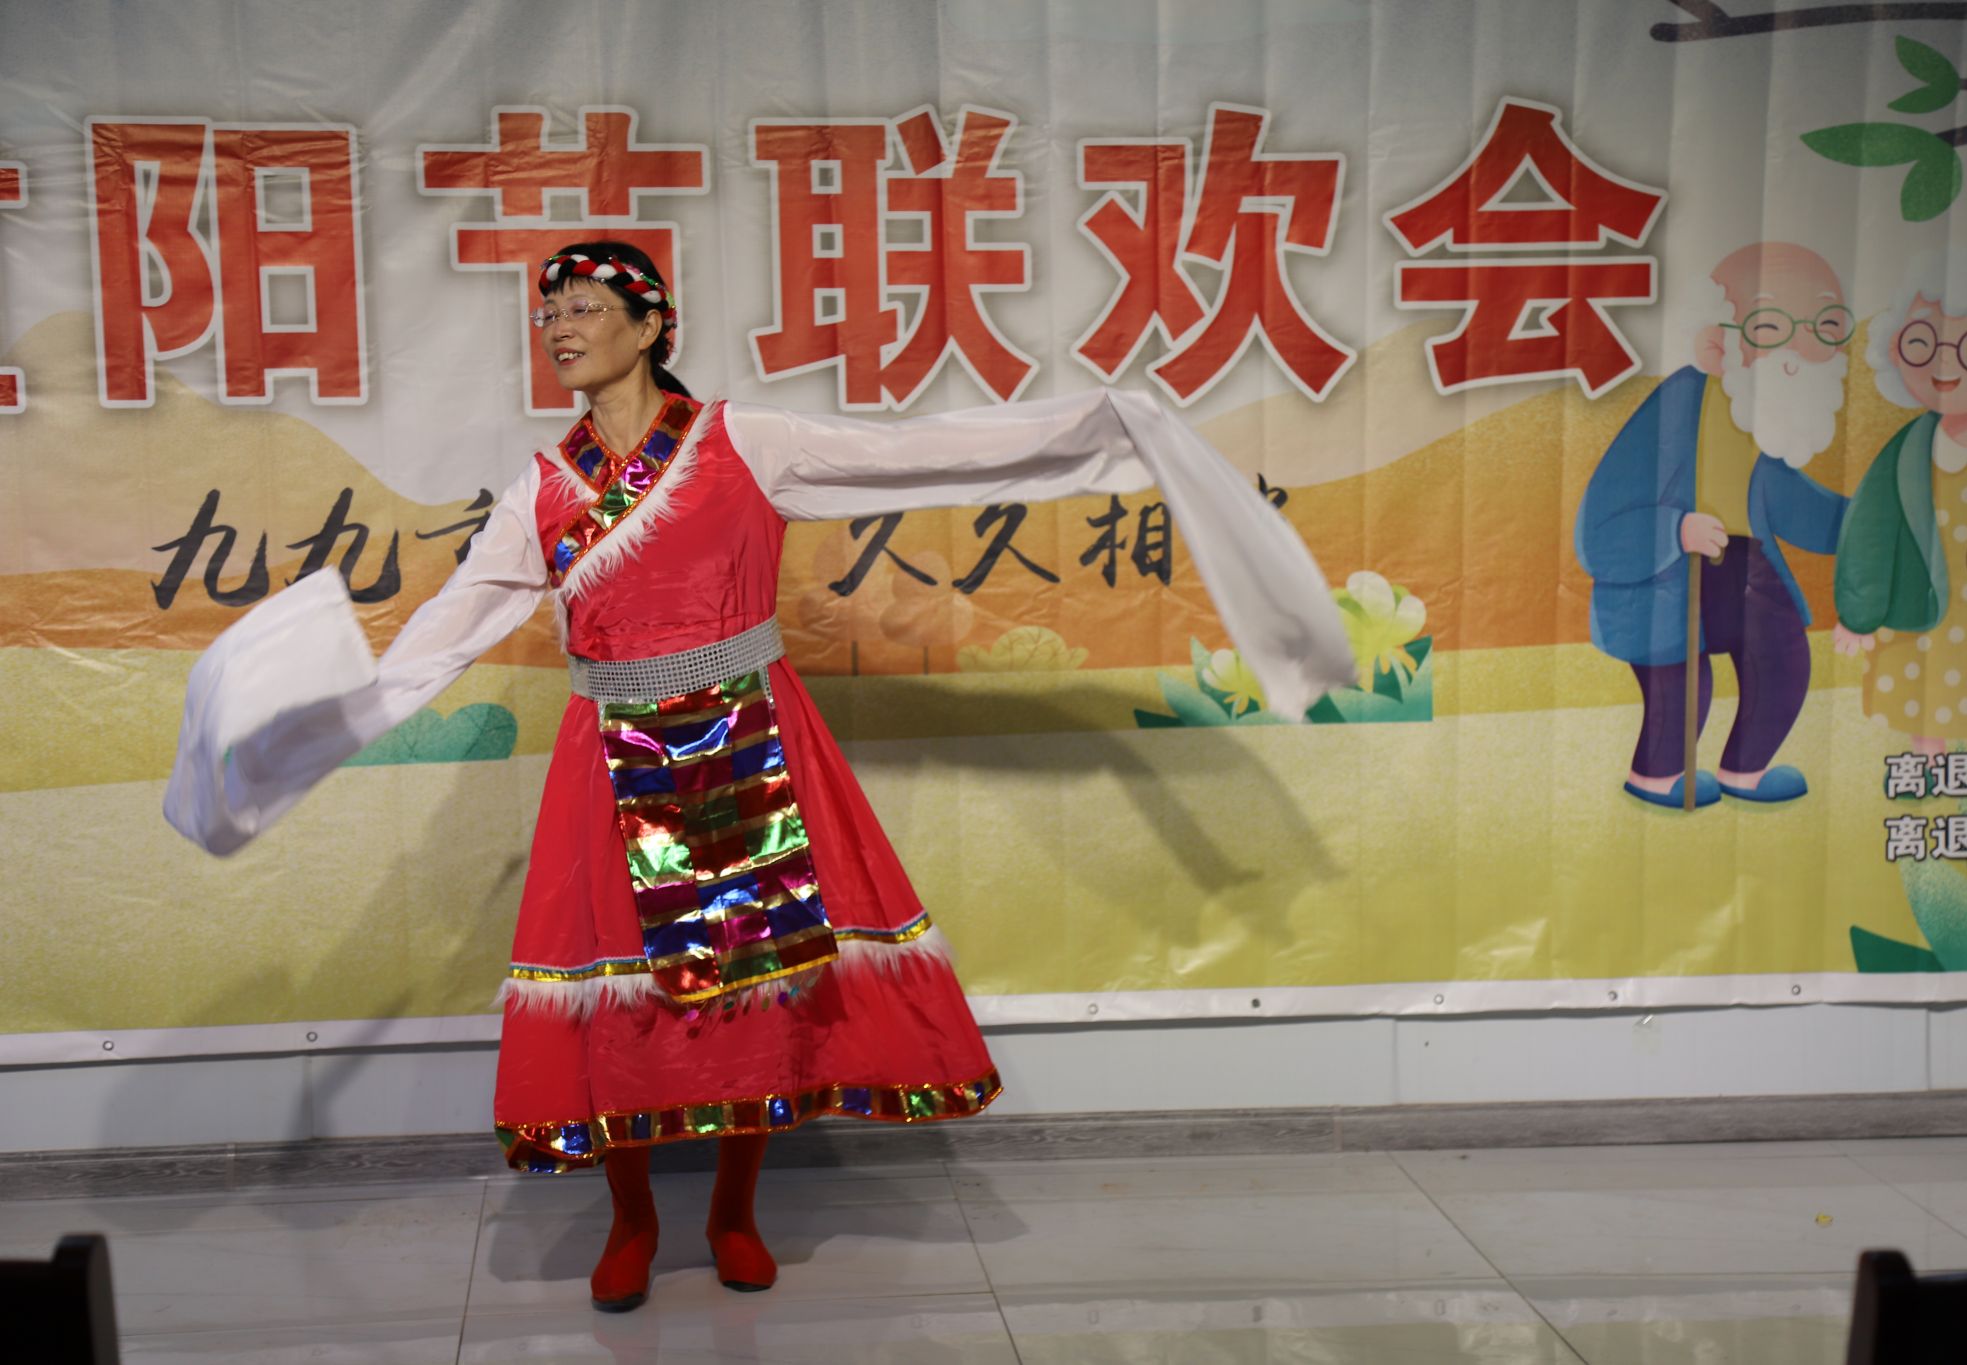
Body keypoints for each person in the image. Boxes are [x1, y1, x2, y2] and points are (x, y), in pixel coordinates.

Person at [162, 241, 1354, 1312]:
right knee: (622, 997)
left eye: (584, 308)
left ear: (650, 325)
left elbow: (917, 456)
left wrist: (1104, 426)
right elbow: (452, 624)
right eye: (549, 314)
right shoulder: (543, 489)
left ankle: (734, 1211)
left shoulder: (745, 441)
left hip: (744, 738)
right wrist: (329, 713)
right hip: (610, 758)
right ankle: (633, 1221)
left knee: (758, 987)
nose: (561, 329)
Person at [1574, 242, 1852, 809]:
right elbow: (1597, 528)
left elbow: (1793, 502)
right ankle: (1656, 777)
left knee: (1782, 657)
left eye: (1823, 327)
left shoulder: (1765, 420)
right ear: (1714, 340)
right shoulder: (1675, 407)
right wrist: (1675, 530)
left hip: (1746, 566)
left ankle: (1746, 771)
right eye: (1772, 327)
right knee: (1681, 684)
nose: (1800, 348)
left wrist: (1866, 524)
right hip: (1663, 576)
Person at [1835, 248, 1967, 755]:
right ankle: (1927, 764)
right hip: (1927, 606)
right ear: (1896, 349)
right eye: (1922, 343)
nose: (1945, 362)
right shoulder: (1903, 455)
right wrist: (1859, 614)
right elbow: (1869, 533)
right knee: (1925, 696)